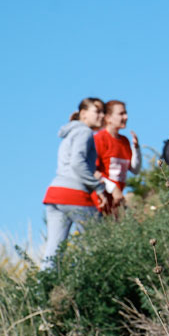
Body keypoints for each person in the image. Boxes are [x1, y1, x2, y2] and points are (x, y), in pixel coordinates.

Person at [41, 98, 109, 269]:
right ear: (83, 114)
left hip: (54, 193)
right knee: (99, 240)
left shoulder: (71, 132)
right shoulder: (84, 132)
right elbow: (77, 163)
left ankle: (44, 284)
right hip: (73, 193)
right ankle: (86, 279)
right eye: (97, 111)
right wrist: (98, 188)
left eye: (103, 112)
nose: (102, 116)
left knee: (53, 251)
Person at [92, 100, 141, 213]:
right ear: (108, 117)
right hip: (99, 200)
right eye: (121, 114)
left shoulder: (124, 141)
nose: (126, 117)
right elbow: (92, 171)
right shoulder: (99, 139)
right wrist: (113, 188)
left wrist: (136, 148)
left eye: (125, 113)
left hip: (116, 203)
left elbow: (135, 170)